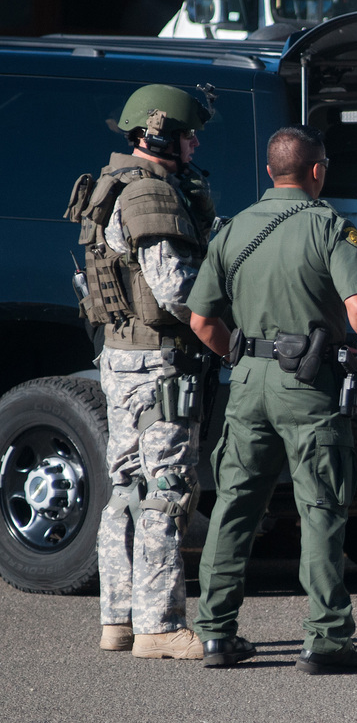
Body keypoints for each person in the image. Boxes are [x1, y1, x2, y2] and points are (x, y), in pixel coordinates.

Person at [187, 125, 357, 674]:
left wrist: (242, 358)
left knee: (234, 507)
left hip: (248, 382)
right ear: (317, 170)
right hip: (309, 384)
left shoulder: (231, 231)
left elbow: (201, 320)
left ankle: (216, 635)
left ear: (270, 172)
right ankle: (326, 640)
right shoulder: (328, 227)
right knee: (321, 508)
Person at [65, 83, 216, 659]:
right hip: (159, 361)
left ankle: (119, 619)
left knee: (125, 486)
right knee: (166, 489)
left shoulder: (114, 185)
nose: (194, 142)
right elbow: (176, 290)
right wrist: (223, 329)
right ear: (157, 135)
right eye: (186, 133)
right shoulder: (150, 194)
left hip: (122, 358)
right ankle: (159, 624)